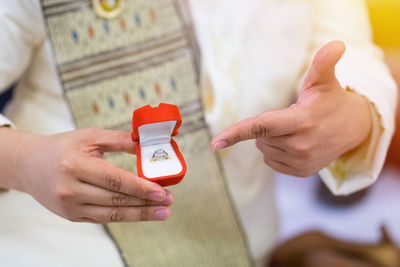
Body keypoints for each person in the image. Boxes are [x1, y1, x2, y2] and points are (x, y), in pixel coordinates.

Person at [0, 0, 396, 266]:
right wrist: (21, 159)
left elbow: (353, 55)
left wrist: (355, 115)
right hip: (53, 247)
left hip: (239, 247)